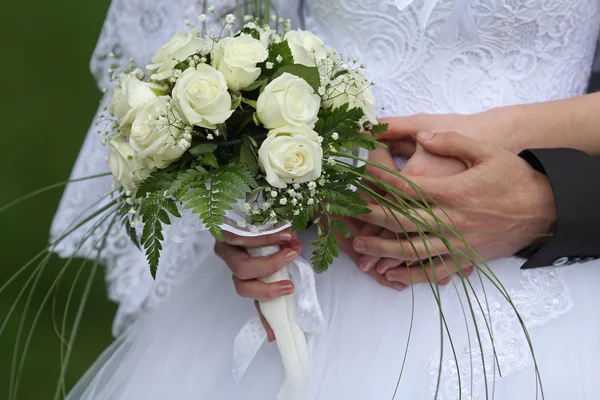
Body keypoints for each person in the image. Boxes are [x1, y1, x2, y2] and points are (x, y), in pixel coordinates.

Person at [51, 0, 600, 399]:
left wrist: (538, 184)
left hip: (553, 286)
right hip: (320, 254)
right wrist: (250, 179)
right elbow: (205, 38)